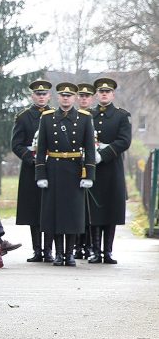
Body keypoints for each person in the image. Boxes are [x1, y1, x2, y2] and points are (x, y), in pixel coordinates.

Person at [35, 83, 97, 266]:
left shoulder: (85, 118)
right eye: (63, 95)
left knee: (72, 215)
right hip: (53, 169)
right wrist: (41, 174)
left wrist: (89, 175)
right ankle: (59, 254)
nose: (66, 98)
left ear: (75, 98)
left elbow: (90, 150)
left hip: (75, 170)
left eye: (69, 95)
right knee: (54, 214)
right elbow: (41, 150)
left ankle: (70, 254)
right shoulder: (47, 118)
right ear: (58, 97)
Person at [87, 77, 131, 264]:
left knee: (111, 210)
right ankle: (95, 251)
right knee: (95, 211)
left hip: (112, 168)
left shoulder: (121, 116)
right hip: (94, 169)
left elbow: (124, 141)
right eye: (101, 91)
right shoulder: (88, 115)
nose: (104, 94)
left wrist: (103, 154)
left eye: (108, 92)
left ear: (112, 94)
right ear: (97, 94)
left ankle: (108, 251)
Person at [12, 80, 55, 262]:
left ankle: (49, 250)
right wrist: (31, 159)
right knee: (34, 209)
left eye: (44, 94)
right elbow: (17, 144)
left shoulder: (55, 115)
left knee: (50, 208)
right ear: (32, 96)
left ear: (49, 96)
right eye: (38, 94)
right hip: (31, 168)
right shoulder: (23, 117)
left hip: (52, 168)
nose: (41, 97)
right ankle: (37, 250)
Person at [73, 82, 96, 259]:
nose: (83, 99)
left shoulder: (92, 116)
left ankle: (89, 245)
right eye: (81, 96)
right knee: (78, 208)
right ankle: (77, 245)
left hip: (93, 167)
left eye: (87, 96)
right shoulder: (75, 117)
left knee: (91, 211)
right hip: (75, 166)